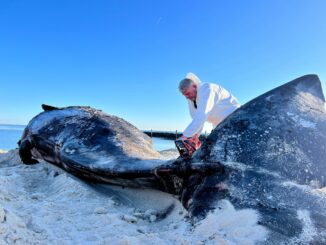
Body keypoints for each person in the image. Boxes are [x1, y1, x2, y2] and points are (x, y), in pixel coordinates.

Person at [178, 72, 240, 145]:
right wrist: (196, 135)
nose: (186, 97)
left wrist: (185, 136)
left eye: (188, 93)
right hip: (218, 124)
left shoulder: (207, 89)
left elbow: (202, 115)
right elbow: (196, 117)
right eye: (184, 95)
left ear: (194, 86)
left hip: (234, 118)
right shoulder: (192, 98)